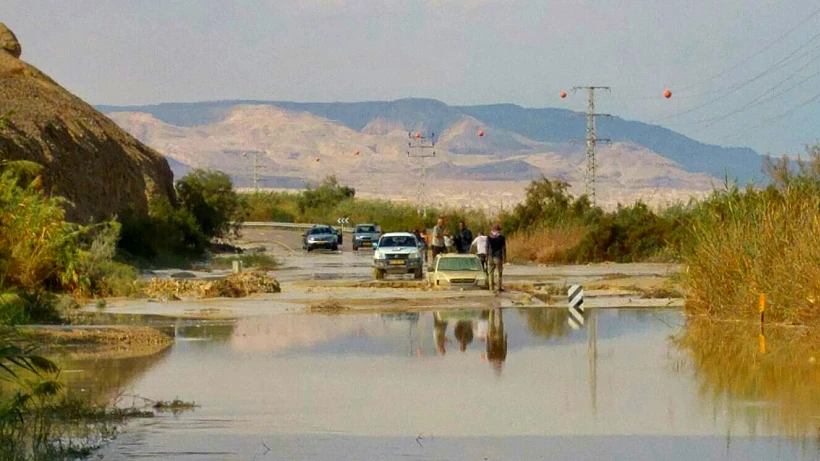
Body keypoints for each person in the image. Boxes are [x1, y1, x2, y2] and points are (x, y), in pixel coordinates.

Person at [487, 224, 506, 293]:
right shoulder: (501, 238)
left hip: (490, 256)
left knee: (490, 272)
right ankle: (498, 287)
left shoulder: (489, 237)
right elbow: (503, 248)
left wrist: (487, 256)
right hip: (498, 257)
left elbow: (487, 247)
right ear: (499, 230)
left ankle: (491, 287)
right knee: (499, 273)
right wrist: (504, 257)